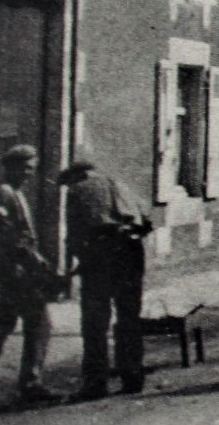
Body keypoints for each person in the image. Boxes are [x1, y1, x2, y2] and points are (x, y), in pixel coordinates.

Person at [59, 160, 151, 400]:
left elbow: (74, 234)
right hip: (132, 252)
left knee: (95, 321)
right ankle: (132, 377)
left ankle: (95, 383)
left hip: (101, 252)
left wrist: (74, 264)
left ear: (76, 176)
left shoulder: (77, 190)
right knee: (129, 315)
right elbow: (147, 221)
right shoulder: (120, 184)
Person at [0, 144, 61, 404]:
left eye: (32, 169)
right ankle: (30, 382)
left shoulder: (13, 192)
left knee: (0, 326)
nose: (29, 174)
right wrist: (26, 259)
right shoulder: (3, 193)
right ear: (11, 167)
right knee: (39, 324)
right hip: (17, 271)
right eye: (25, 168)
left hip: (18, 271)